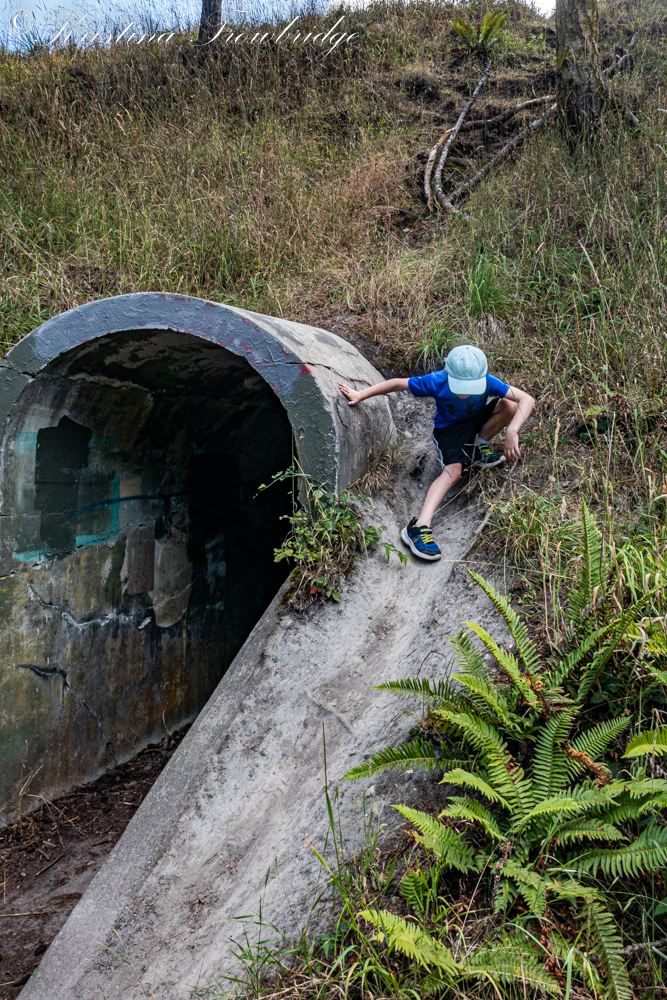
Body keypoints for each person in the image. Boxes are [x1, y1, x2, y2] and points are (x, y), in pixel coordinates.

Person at [339, 344, 535, 562]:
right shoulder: (436, 381)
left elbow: (526, 399)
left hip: (475, 420)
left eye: (471, 386)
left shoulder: (488, 381)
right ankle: (419, 527)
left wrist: (512, 431)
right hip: (449, 431)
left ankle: (480, 447)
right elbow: (397, 383)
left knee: (509, 404)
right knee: (454, 472)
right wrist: (361, 394)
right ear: (448, 374)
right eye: (461, 386)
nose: (466, 392)